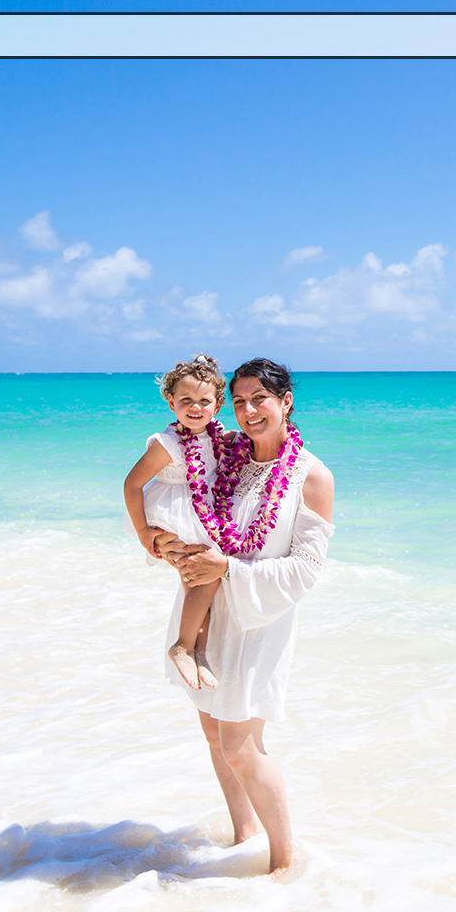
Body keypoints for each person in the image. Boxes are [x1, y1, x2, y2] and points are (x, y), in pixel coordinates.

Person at [154, 357, 335, 877]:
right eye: (239, 401)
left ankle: (283, 862)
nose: (249, 411)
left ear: (286, 401)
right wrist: (160, 541)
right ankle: (243, 836)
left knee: (241, 743)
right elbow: (174, 498)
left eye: (260, 398)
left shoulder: (312, 475)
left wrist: (228, 567)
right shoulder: (227, 455)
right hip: (209, 609)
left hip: (261, 618)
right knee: (213, 732)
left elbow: (305, 571)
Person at [122, 354, 230, 691]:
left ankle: (197, 651)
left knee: (203, 585)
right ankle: (182, 647)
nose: (195, 407)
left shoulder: (217, 434)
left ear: (217, 405)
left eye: (204, 400)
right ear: (171, 403)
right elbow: (131, 483)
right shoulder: (167, 444)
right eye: (186, 400)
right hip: (173, 515)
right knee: (200, 580)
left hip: (204, 513)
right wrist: (143, 533)